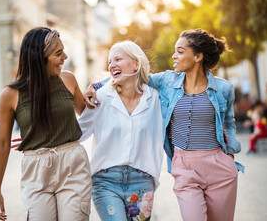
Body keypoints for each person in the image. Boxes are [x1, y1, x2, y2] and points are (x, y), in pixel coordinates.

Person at [87, 29, 243, 221]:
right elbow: (132, 75)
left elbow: (229, 122)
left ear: (197, 56)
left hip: (219, 166)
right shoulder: (168, 81)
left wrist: (230, 153)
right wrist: (96, 86)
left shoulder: (223, 88)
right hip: (185, 167)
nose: (173, 56)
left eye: (179, 51)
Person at [0, 27, 91, 221]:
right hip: (35, 172)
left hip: (73, 166)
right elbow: (3, 144)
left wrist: (95, 88)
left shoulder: (68, 80)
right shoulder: (10, 95)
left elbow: (91, 117)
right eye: (58, 53)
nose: (65, 57)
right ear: (39, 57)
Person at [79, 40, 164, 221]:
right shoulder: (100, 97)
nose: (112, 65)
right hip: (105, 181)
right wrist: (39, 138)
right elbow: (76, 132)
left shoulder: (155, 99)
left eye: (118, 59)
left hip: (142, 182)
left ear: (136, 63)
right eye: (110, 61)